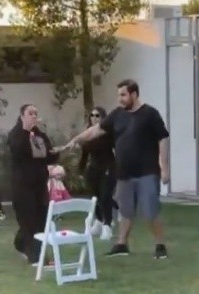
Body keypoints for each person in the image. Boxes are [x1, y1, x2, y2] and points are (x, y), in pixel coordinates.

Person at [67, 80, 170, 260]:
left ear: (134, 94)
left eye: (123, 95)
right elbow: (95, 130)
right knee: (126, 211)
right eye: (119, 95)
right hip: (124, 173)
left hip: (147, 172)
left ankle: (160, 245)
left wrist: (165, 168)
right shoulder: (117, 115)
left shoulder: (150, 114)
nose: (120, 99)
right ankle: (122, 244)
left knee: (150, 210)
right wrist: (76, 140)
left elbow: (163, 139)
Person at [7, 105, 58, 265]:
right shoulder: (16, 134)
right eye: (30, 113)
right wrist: (26, 130)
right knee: (29, 221)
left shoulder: (40, 135)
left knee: (41, 220)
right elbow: (17, 149)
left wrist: (58, 152)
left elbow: (49, 156)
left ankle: (21, 243)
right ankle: (38, 257)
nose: (34, 116)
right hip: (23, 186)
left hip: (39, 185)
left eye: (36, 113)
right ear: (22, 116)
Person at [79, 106, 117, 241]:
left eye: (97, 115)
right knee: (95, 197)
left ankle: (108, 225)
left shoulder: (108, 134)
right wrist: (81, 169)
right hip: (93, 169)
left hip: (108, 167)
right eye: (92, 115)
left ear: (102, 117)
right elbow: (84, 154)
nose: (94, 118)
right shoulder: (88, 135)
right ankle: (99, 221)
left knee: (105, 195)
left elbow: (117, 150)